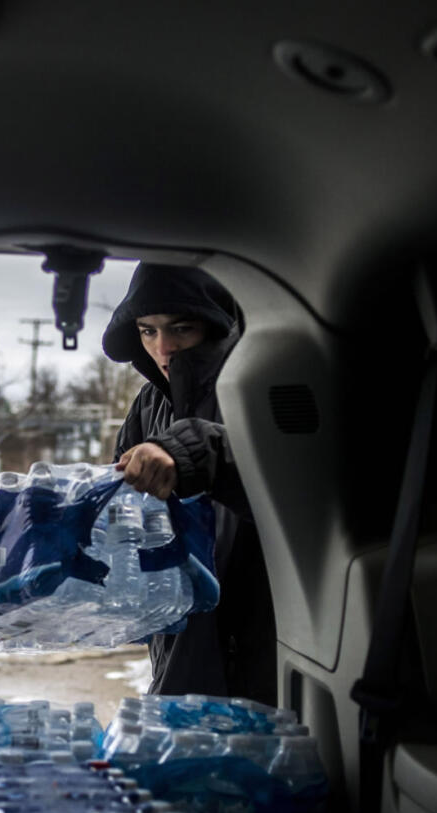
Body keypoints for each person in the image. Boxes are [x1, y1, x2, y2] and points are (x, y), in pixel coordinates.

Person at [101, 262, 277, 705]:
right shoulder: (150, 404)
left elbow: (276, 473)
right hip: (179, 648)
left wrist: (186, 452)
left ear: (217, 324)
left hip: (259, 647)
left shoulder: (259, 389)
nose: (164, 347)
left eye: (181, 327)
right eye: (147, 331)